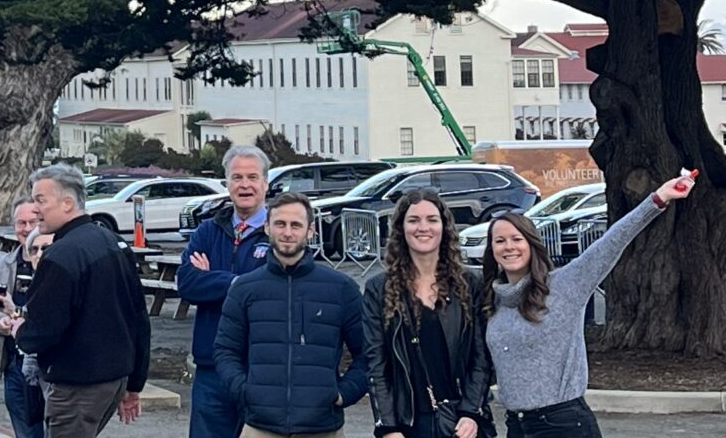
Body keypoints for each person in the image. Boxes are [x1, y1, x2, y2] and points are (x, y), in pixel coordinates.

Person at [483, 170, 697, 438]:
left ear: (532, 244)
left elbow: (610, 244)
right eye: (500, 241)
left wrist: (659, 199)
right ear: (491, 250)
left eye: (517, 239)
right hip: (516, 425)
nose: (509, 247)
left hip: (563, 425)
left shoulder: (564, 285)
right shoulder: (493, 302)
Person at [214, 193, 369, 438]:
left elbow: (368, 353)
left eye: (296, 225)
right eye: (280, 224)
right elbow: (225, 351)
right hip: (260, 427)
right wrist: (246, 392)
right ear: (267, 227)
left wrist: (344, 393)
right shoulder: (245, 289)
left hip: (323, 427)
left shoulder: (341, 288)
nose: (287, 233)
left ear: (310, 231)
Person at [13, 164, 149, 438]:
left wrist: (21, 332)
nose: (35, 208)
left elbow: (44, 328)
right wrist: (135, 382)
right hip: (114, 379)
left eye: (40, 200)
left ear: (67, 203)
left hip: (77, 384)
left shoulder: (62, 255)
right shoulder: (113, 242)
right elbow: (138, 318)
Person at [363, 190, 492, 438]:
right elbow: (376, 363)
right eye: (414, 220)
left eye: (432, 219)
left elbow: (481, 357)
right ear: (401, 227)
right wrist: (388, 426)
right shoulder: (378, 289)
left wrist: (471, 412)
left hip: (461, 421)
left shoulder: (469, 284)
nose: (423, 227)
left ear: (444, 226)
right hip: (408, 424)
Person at [177, 145, 273, 438]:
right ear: (227, 183)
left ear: (265, 184)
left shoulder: (278, 232)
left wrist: (215, 279)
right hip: (211, 368)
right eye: (237, 177)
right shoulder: (207, 230)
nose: (245, 185)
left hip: (259, 368)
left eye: (252, 177)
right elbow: (187, 283)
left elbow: (270, 292)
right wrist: (238, 282)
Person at [0, 198, 45, 438]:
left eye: (33, 221)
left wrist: (17, 313)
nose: (27, 229)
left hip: (48, 368)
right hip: (15, 366)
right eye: (21, 223)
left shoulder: (57, 265)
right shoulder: (6, 264)